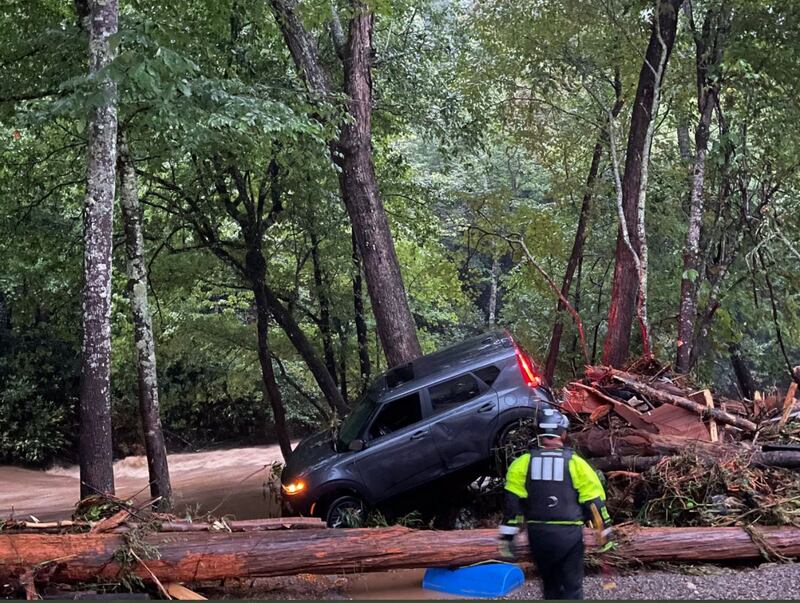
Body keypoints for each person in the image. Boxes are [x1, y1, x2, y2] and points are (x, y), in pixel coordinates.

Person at [497, 407, 612, 600]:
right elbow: (594, 501)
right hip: (569, 535)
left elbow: (512, 505)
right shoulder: (576, 464)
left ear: (539, 433)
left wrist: (508, 536)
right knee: (572, 588)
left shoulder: (522, 464)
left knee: (550, 587)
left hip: (539, 535)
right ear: (563, 434)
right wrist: (604, 532)